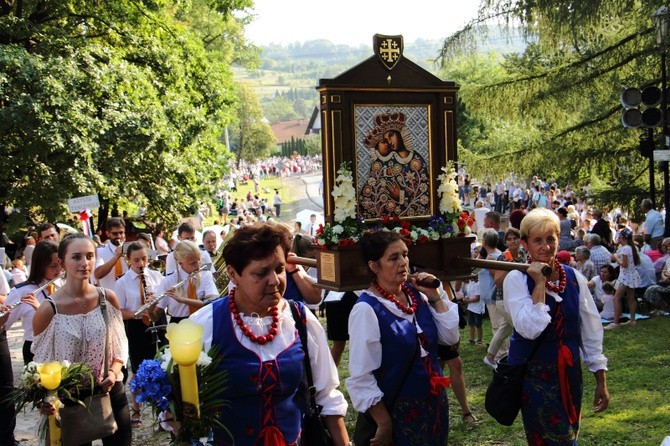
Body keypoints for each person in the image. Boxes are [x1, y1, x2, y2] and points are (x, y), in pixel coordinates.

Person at [189, 223, 349, 445]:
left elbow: (327, 396)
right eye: (261, 272)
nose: (274, 280)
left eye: (280, 269)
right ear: (233, 274)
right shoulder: (205, 324)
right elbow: (186, 406)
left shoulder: (301, 320)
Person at [503, 208, 609, 444]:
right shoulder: (516, 280)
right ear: (525, 244)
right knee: (556, 440)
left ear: (558, 239)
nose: (545, 247)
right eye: (537, 240)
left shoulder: (573, 278)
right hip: (535, 378)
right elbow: (529, 328)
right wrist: (539, 284)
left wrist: (600, 381)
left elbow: (591, 332)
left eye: (550, 239)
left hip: (570, 376)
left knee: (571, 434)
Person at [346, 231, 459, 445]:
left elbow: (450, 338)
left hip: (434, 407)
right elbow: (361, 376)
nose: (403, 262)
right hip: (398, 414)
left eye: (405, 255)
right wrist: (384, 423)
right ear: (374, 266)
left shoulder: (418, 295)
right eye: (393, 258)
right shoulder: (366, 310)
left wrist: (436, 298)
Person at [32, 233, 131, 445]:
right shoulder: (48, 310)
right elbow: (38, 365)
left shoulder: (107, 298)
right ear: (61, 262)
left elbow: (120, 345)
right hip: (70, 399)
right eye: (76, 257)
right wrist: (45, 398)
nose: (85, 263)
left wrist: (114, 373)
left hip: (110, 390)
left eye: (90, 256)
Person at [114, 242, 165, 428]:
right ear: (128, 260)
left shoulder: (157, 276)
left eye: (144, 259)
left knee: (161, 364)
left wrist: (155, 302)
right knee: (138, 368)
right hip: (136, 327)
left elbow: (165, 302)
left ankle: (163, 412)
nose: (141, 263)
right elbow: (118, 311)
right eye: (136, 260)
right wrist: (138, 313)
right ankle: (136, 408)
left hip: (157, 322)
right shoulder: (122, 282)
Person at [1, 240, 62, 364]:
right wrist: (3, 318)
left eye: (61, 264)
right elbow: (3, 328)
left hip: (63, 346)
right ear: (40, 265)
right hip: (35, 349)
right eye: (53, 266)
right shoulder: (22, 292)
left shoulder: (66, 286)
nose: (59, 270)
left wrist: (40, 309)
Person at [486, 227, 528, 369]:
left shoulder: (523, 255)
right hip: (503, 299)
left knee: (504, 330)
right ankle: (519, 356)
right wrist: (508, 266)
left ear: (520, 240)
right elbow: (497, 282)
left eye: (515, 238)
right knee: (520, 327)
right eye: (509, 239)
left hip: (517, 298)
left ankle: (489, 357)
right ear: (505, 242)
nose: (512, 241)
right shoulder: (503, 257)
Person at [156, 240, 219, 324]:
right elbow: (155, 317)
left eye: (198, 260)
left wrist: (182, 300)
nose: (198, 265)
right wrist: (150, 309)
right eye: (192, 263)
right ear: (180, 263)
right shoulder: (169, 281)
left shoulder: (205, 275)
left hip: (203, 320)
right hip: (179, 325)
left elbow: (212, 302)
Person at [605, 227, 641, 330]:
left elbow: (624, 264)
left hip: (626, 276)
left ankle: (615, 322)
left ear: (622, 238)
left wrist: (616, 258)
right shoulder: (631, 247)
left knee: (616, 298)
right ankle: (632, 320)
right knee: (631, 298)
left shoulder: (626, 248)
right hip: (631, 275)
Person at [94, 217, 128, 290]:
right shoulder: (100, 251)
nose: (119, 236)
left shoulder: (130, 249)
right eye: (115, 233)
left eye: (121, 233)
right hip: (109, 297)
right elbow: (98, 274)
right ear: (108, 234)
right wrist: (116, 257)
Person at [463, 277, 484, 344]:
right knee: (471, 324)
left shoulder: (478, 284)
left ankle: (480, 340)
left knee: (478, 324)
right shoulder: (469, 284)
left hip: (477, 308)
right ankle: (472, 339)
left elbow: (477, 298)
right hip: (470, 308)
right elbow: (467, 295)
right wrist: (465, 299)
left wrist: (468, 301)